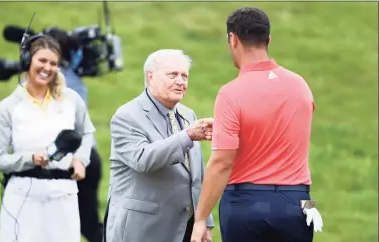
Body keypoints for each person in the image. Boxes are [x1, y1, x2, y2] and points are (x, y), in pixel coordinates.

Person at [191, 7, 323, 242]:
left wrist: (201, 218)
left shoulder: (231, 94)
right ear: (268, 40)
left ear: (233, 39)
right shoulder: (300, 86)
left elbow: (222, 162)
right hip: (297, 203)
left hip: (246, 205)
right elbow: (283, 129)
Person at [0, 35, 95, 242]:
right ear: (28, 61)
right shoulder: (8, 107)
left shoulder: (71, 99)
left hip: (63, 196)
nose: (47, 67)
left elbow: (87, 132)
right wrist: (30, 159)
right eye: (42, 61)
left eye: (53, 63)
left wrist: (80, 159)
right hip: (22, 198)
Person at [104, 49, 214, 242]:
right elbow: (143, 159)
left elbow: (197, 174)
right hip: (142, 230)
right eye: (173, 74)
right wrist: (187, 135)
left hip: (185, 229)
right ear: (150, 76)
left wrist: (204, 220)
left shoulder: (189, 115)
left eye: (184, 76)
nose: (180, 81)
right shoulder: (127, 116)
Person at [47, 27, 104, 242]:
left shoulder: (43, 84)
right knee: (89, 226)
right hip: (90, 157)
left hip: (66, 161)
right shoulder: (75, 79)